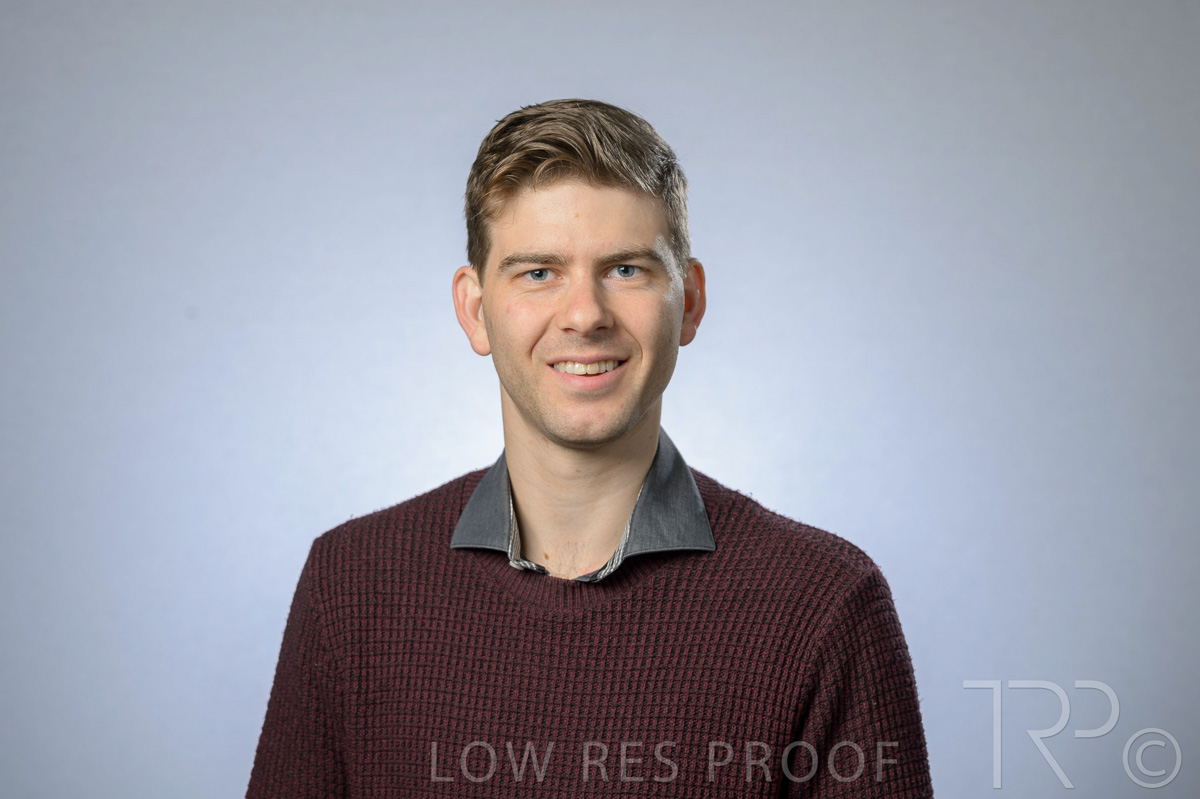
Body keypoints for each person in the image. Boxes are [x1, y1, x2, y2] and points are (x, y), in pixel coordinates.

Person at [248, 99, 933, 797]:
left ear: (689, 301)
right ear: (475, 310)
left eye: (626, 269)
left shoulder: (823, 604)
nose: (585, 315)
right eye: (538, 272)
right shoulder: (351, 586)